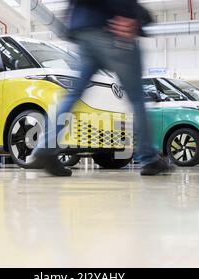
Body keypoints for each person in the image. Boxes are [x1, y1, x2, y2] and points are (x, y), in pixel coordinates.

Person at [35, 0, 171, 177]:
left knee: (72, 95)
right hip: (113, 28)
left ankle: (46, 148)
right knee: (137, 97)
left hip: (84, 30)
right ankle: (149, 158)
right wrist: (132, 14)